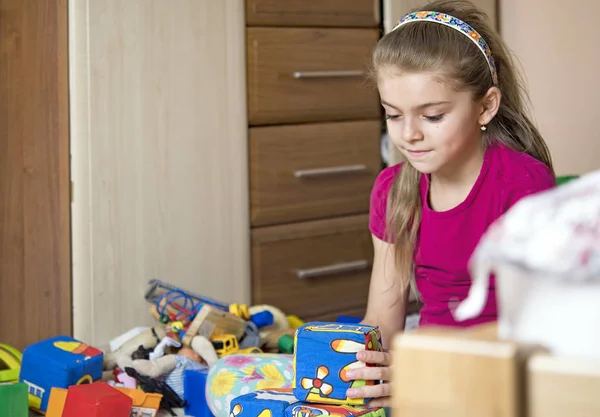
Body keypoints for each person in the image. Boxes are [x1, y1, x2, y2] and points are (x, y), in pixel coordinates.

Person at [345, 0, 556, 407]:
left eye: (433, 116)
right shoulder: (392, 190)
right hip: (430, 375)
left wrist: (427, 374)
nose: (409, 135)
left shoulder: (522, 185)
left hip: (503, 380)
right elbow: (382, 321)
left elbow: (540, 332)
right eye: (392, 115)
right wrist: (362, 367)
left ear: (486, 105)